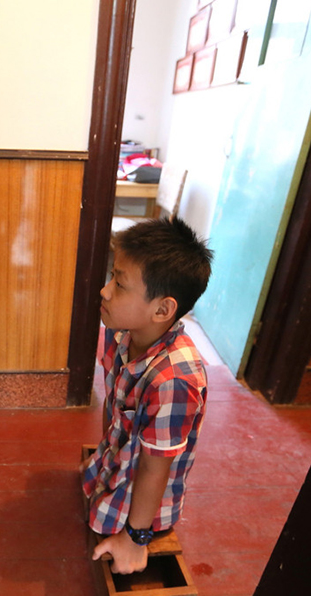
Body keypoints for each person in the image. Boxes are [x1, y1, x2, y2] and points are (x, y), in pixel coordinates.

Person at [81, 217, 213, 575]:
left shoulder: (175, 380)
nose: (105, 291)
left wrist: (135, 538)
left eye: (120, 284)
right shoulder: (120, 335)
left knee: (101, 525)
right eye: (113, 277)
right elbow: (113, 406)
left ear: (162, 310)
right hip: (117, 459)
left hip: (147, 496)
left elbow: (156, 467)